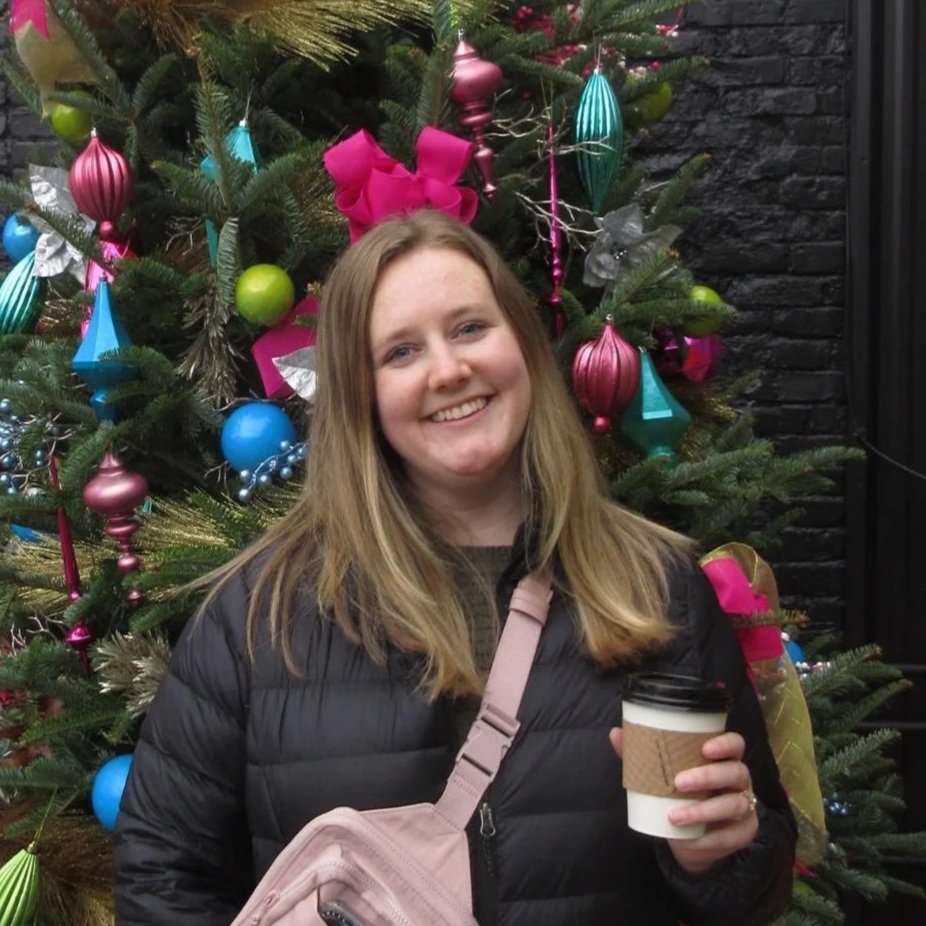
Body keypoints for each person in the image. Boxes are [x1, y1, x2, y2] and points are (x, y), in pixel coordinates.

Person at [113, 209, 796, 925]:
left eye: (471, 328)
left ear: (524, 347)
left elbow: (758, 885)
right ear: (361, 396)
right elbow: (163, 879)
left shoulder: (661, 588)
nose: (449, 369)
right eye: (400, 353)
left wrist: (719, 856)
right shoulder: (260, 614)